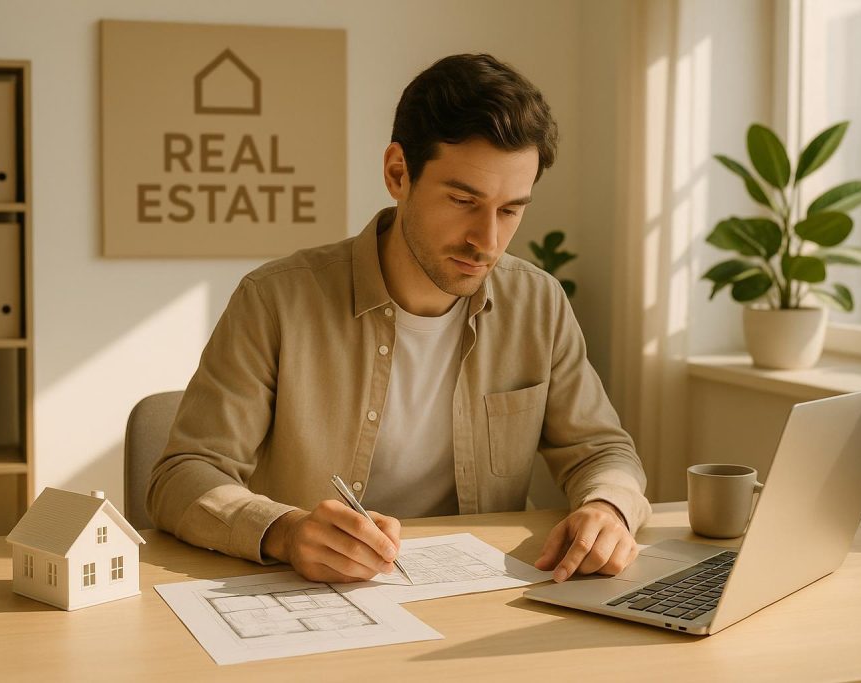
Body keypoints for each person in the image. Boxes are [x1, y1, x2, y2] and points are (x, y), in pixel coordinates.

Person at [147, 53, 651, 585]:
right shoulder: (275, 301)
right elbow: (182, 477)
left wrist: (609, 509)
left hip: (473, 595)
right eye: (462, 199)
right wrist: (285, 531)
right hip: (314, 600)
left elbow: (602, 449)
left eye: (510, 210)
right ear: (397, 173)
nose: (488, 241)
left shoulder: (539, 304)